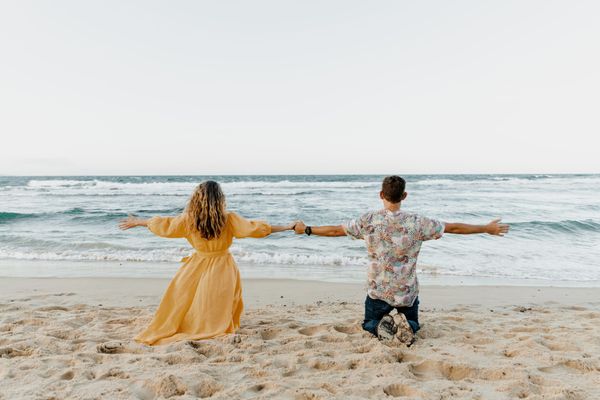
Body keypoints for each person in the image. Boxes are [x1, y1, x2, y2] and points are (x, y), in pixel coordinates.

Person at [294, 175, 509, 345]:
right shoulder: (418, 223)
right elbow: (454, 228)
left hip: (378, 291)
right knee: (413, 322)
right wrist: (486, 228)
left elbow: (334, 231)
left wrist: (307, 229)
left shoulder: (368, 221)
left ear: (381, 194)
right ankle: (408, 326)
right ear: (404, 196)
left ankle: (379, 326)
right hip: (406, 293)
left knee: (368, 323)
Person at [118, 180, 295, 346]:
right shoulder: (229, 219)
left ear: (196, 199)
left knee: (186, 297)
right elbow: (255, 229)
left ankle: (195, 324)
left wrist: (139, 222)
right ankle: (211, 325)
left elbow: (165, 225)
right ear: (220, 199)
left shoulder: (188, 220)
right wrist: (288, 227)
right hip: (223, 265)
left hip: (196, 265)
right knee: (217, 299)